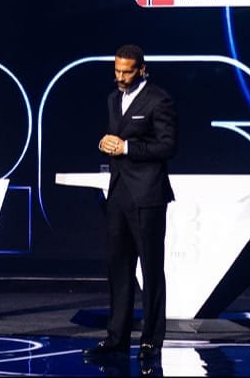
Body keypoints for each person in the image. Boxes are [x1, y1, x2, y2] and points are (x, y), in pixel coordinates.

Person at [84, 44, 177, 364]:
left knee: (150, 269)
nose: (121, 77)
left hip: (148, 195)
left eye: (127, 72)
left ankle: (151, 340)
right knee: (118, 269)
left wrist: (126, 147)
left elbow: (167, 146)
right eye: (117, 71)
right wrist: (105, 142)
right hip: (118, 194)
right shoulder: (113, 98)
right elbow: (116, 136)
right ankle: (116, 339)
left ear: (142, 69)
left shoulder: (158, 99)